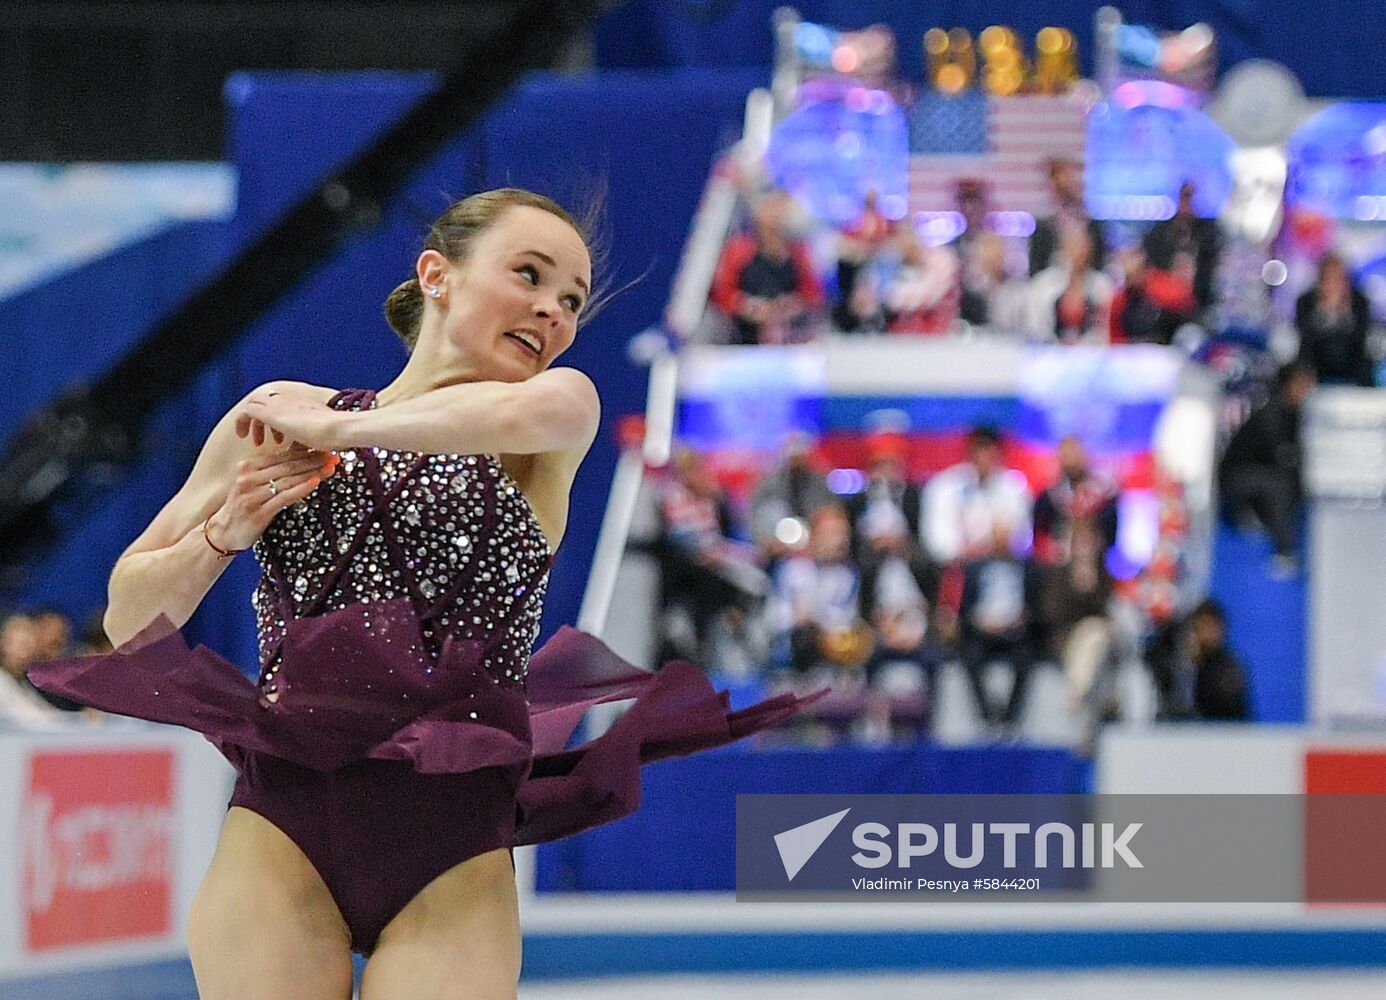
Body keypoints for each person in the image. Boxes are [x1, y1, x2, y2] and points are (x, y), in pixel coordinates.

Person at [28, 188, 823, 999]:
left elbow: (523, 415)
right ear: (437, 274)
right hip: (282, 824)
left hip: (451, 845)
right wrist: (223, 532)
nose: (551, 310)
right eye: (529, 275)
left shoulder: (553, 412)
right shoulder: (277, 415)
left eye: (571, 300)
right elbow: (131, 621)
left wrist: (343, 432)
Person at [1219, 360, 1316, 576]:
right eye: (1301, 384)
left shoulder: (1294, 412)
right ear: (1288, 384)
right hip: (1238, 476)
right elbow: (1278, 454)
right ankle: (1283, 551)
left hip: (1261, 472)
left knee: (1288, 483)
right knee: (1280, 485)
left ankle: (1273, 526)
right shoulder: (1270, 411)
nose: (1306, 390)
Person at [710, 189, 825, 344]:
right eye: (771, 209)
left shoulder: (798, 252)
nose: (776, 216)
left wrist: (793, 305)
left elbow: (813, 294)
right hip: (743, 335)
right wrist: (747, 306)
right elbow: (721, 294)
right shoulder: (738, 250)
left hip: (788, 334)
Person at [1295, 252, 1374, 387]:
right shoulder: (1305, 302)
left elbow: (1361, 337)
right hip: (1317, 363)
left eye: (1339, 279)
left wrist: (1342, 312)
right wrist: (1325, 310)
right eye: (1328, 279)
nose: (1334, 284)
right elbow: (1306, 337)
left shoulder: (1360, 302)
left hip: (1352, 364)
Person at [1143, 180, 1221, 313]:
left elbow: (1211, 262)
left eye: (1191, 197)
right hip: (1165, 294)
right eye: (1185, 197)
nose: (1188, 203)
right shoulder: (1162, 230)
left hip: (1198, 297)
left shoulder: (1207, 232)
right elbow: (1153, 261)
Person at [1029, 157, 1107, 277]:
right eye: (1060, 175)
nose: (1066, 180)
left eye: (1069, 175)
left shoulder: (1090, 223)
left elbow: (1100, 261)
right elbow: (1036, 267)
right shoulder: (1043, 226)